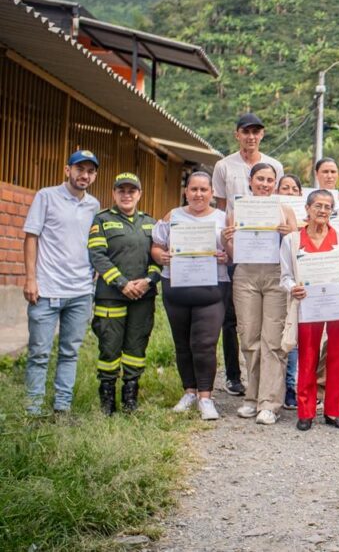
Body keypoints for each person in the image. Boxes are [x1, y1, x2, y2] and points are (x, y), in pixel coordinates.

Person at [22, 150, 101, 415]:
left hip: (80, 292)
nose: (85, 175)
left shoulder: (93, 205)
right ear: (67, 170)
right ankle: (32, 411)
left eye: (90, 171)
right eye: (80, 169)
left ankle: (62, 408)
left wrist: (95, 272)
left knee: (70, 353)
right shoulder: (46, 196)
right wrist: (31, 279)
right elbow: (31, 237)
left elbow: (93, 242)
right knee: (39, 354)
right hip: (46, 290)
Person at [212, 113, 284, 397]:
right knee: (232, 319)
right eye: (245, 132)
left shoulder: (274, 165)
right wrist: (223, 244)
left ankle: (267, 384)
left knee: (269, 322)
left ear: (262, 135)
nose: (251, 136)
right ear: (237, 134)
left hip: (268, 253)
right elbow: (220, 208)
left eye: (256, 132)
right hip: (236, 252)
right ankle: (233, 375)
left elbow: (280, 204)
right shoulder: (223, 166)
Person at [281, 189, 339, 431]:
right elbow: (285, 276)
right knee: (307, 356)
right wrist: (292, 287)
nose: (323, 210)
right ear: (307, 209)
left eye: (327, 207)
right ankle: (305, 411)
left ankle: (335, 410)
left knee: (338, 357)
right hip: (309, 304)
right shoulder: (292, 240)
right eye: (318, 205)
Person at [151, 171, 230, 421]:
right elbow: (156, 245)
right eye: (193, 189)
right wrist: (159, 256)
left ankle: (206, 397)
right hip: (176, 287)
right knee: (182, 343)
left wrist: (226, 255)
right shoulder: (172, 216)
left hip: (212, 287)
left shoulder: (223, 218)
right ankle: (189, 392)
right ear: (186, 191)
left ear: (211, 193)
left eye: (203, 190)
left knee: (205, 343)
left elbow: (233, 251)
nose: (198, 194)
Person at [223, 163, 297, 425]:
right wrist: (227, 238)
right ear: (250, 181)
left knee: (273, 340)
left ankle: (270, 402)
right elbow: (231, 254)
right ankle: (251, 398)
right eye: (260, 179)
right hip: (246, 276)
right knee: (249, 336)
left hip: (276, 275)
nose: (265, 184)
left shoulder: (285, 209)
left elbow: (297, 248)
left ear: (275, 184)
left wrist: (291, 233)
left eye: (269, 180)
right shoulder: (236, 210)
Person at [88, 172, 161, 415]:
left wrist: (149, 281)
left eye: (132, 190)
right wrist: (122, 283)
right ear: (114, 193)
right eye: (122, 190)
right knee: (109, 348)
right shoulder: (102, 220)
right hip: (111, 296)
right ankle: (107, 400)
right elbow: (97, 255)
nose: (127, 195)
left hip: (143, 297)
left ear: (139, 194)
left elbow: (158, 257)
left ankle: (130, 397)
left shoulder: (151, 223)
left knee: (136, 347)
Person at [276, 174, 304, 409]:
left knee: (300, 336)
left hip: (301, 280)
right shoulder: (270, 211)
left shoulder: (305, 219)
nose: (289, 191)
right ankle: (285, 386)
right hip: (277, 279)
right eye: (284, 187)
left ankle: (296, 386)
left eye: (294, 188)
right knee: (285, 335)